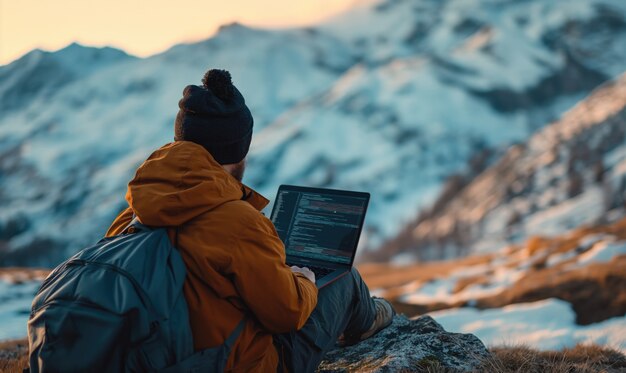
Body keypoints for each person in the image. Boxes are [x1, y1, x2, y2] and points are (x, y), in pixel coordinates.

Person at [106, 69, 395, 372]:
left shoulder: (134, 212)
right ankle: (366, 322)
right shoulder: (239, 222)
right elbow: (287, 313)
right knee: (343, 279)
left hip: (158, 357)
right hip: (231, 364)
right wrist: (304, 281)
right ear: (237, 153)